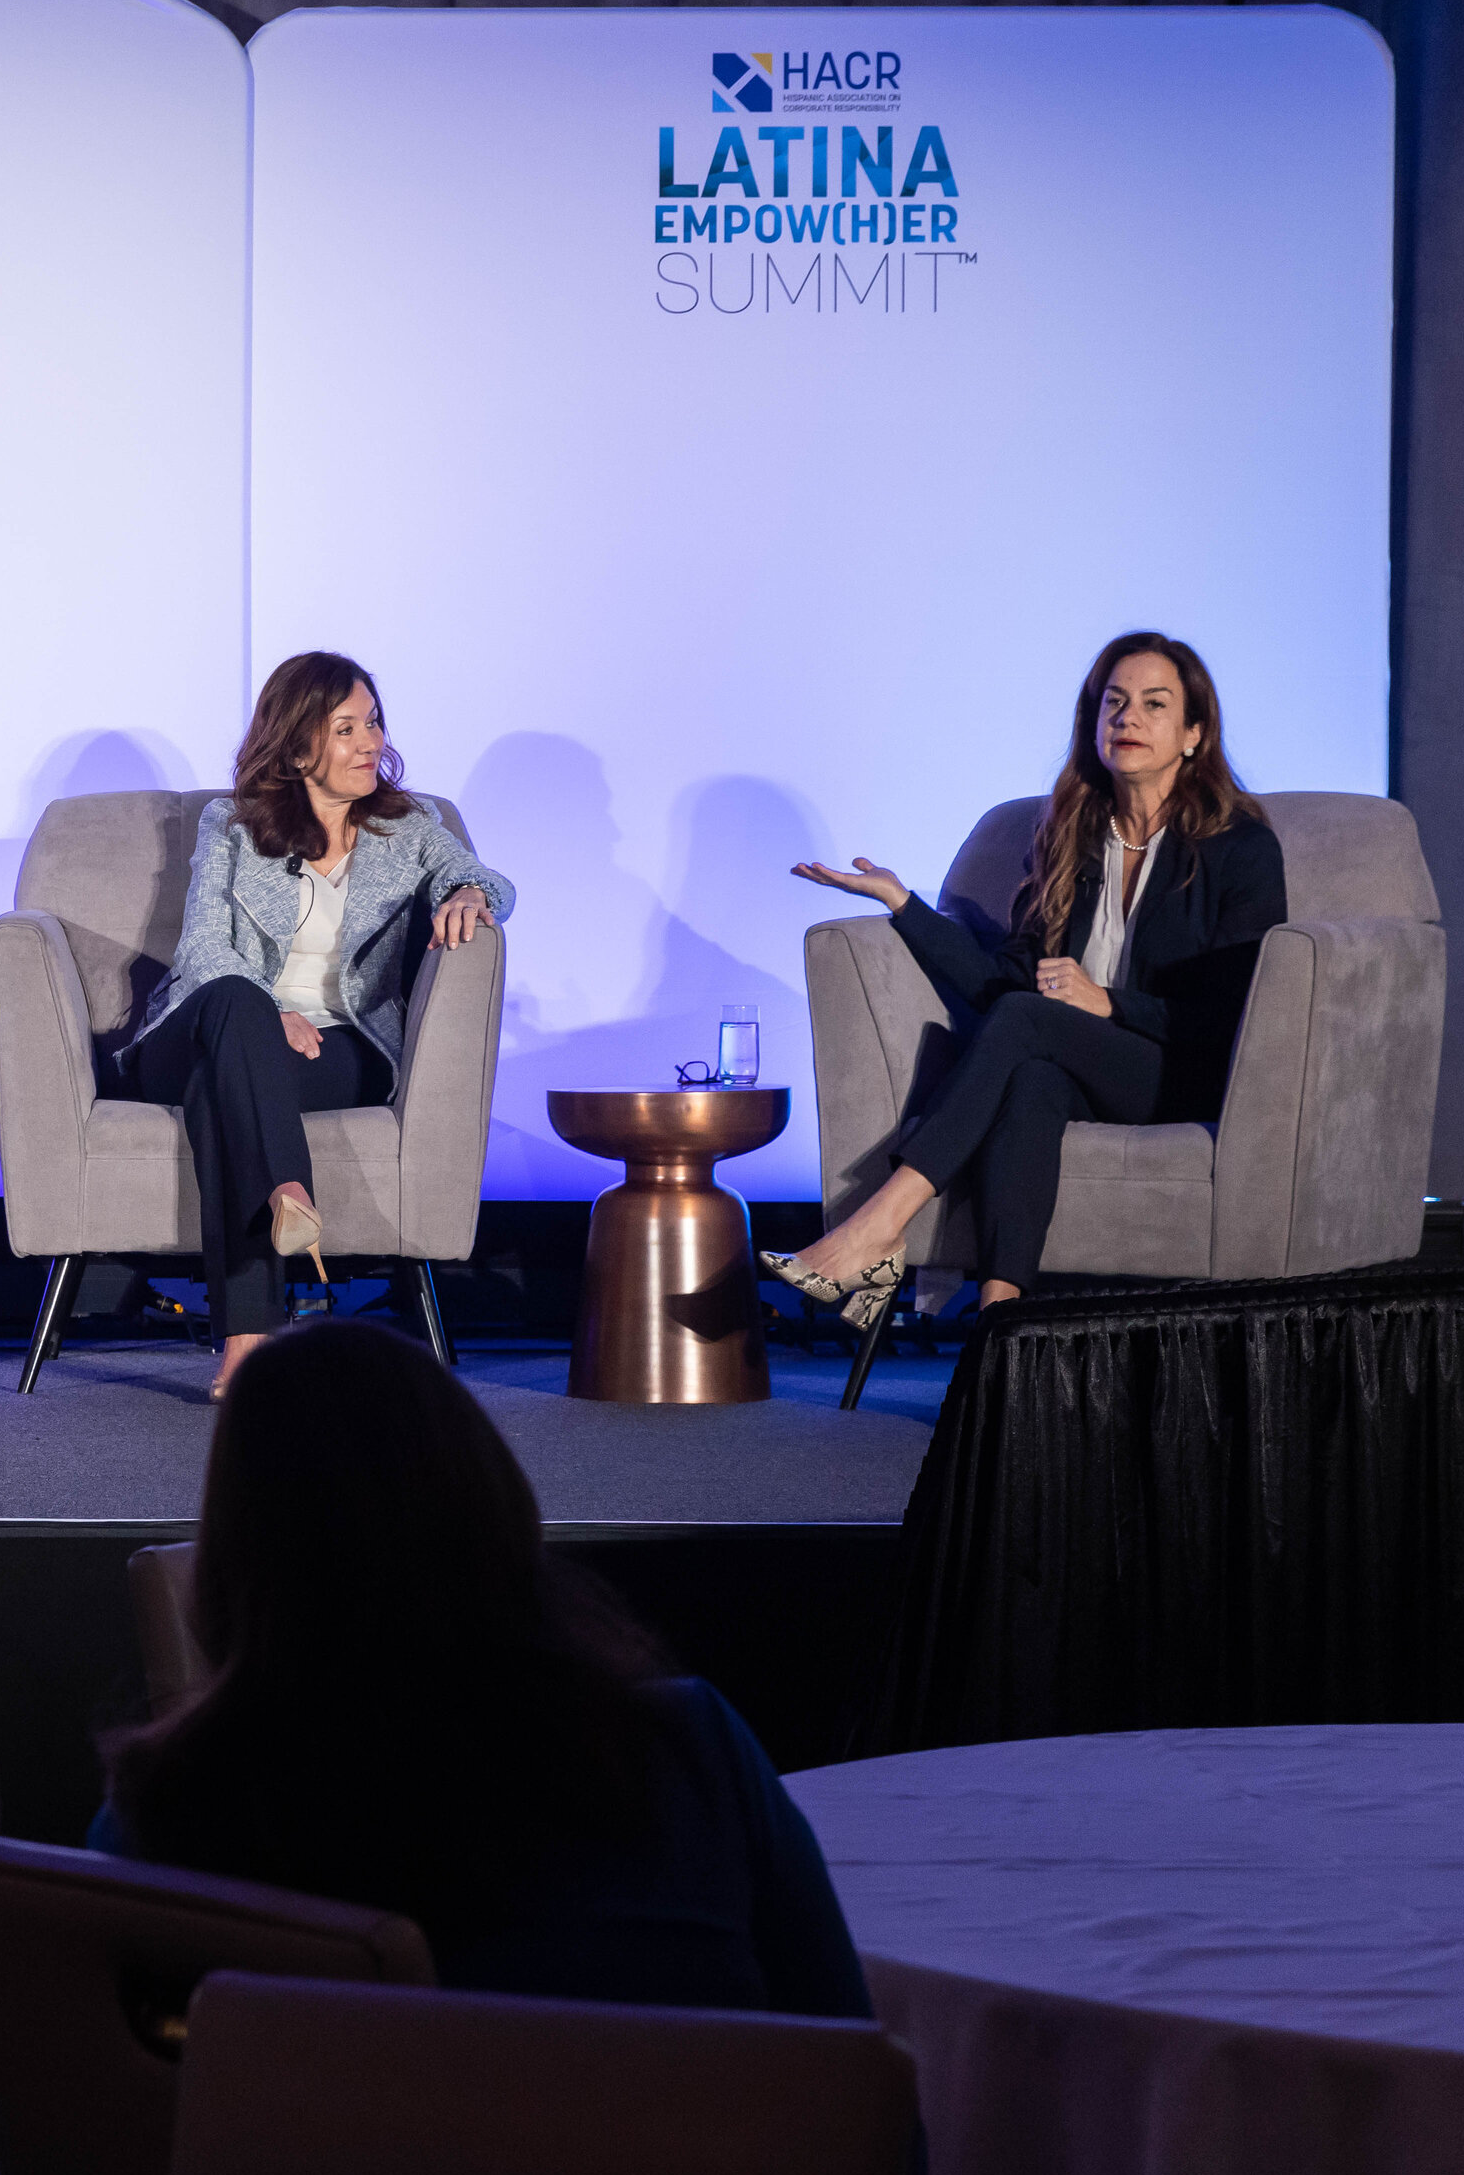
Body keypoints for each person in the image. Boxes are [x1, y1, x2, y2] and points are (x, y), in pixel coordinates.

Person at [95, 1319, 872, 2019]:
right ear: (492, 1502)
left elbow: (102, 2135)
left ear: (237, 1549)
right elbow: (869, 2121)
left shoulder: (164, 1809)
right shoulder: (686, 1751)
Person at [771, 630, 1286, 1331]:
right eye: (1114, 702)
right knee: (1028, 1074)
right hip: (1078, 1068)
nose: (1126, 718)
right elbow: (1003, 984)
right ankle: (1000, 1329)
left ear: (1194, 733)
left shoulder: (1240, 848)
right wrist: (903, 904)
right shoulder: (1074, 835)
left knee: (1027, 1021)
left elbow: (1236, 1015)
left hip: (1183, 1071)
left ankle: (878, 1227)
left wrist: (1106, 1003)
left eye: (1153, 704)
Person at [123, 651, 513, 1396]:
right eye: (346, 728)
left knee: (221, 1094)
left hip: (339, 1043)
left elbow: (492, 878)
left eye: (373, 722)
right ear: (300, 744)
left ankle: (246, 1338)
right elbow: (204, 945)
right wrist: (271, 1012)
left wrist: (467, 891)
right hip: (213, 1017)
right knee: (236, 1015)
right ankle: (289, 1185)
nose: (370, 741)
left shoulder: (409, 827)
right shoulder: (233, 824)